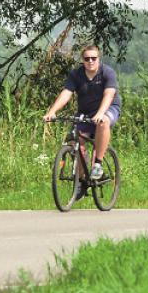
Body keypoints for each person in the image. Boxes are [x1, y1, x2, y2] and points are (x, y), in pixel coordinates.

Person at [44, 44, 120, 200]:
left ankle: (97, 164)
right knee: (75, 142)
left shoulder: (107, 72)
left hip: (108, 108)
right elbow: (66, 93)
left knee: (103, 122)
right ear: (82, 61)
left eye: (94, 58)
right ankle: (82, 181)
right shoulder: (76, 74)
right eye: (87, 59)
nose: (91, 61)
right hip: (85, 112)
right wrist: (52, 111)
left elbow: (109, 95)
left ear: (99, 59)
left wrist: (100, 113)